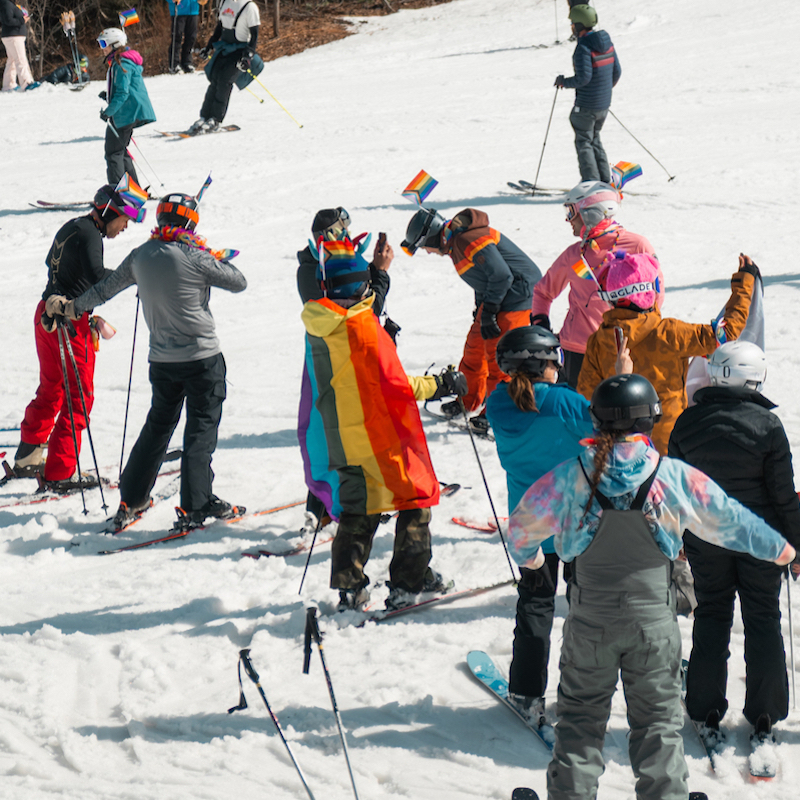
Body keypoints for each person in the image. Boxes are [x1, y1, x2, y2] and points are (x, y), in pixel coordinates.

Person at [508, 373, 796, 800]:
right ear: (649, 422)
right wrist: (779, 549)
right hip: (653, 621)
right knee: (658, 725)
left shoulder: (570, 476)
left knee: (581, 722)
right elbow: (729, 521)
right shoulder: (672, 475)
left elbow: (520, 532)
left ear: (596, 421)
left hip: (590, 620)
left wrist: (532, 559)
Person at [48, 192, 247, 531]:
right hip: (202, 358)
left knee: (158, 427)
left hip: (162, 362)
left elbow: (104, 290)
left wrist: (71, 307)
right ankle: (197, 504)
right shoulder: (195, 256)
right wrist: (210, 255)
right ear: (189, 224)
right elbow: (238, 281)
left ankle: (134, 496)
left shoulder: (140, 256)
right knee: (200, 428)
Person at [299, 236, 467, 611]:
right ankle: (410, 582)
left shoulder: (318, 324)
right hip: (379, 435)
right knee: (415, 499)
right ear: (363, 288)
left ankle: (350, 587)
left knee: (360, 509)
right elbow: (395, 386)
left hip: (341, 437)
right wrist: (440, 384)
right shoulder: (363, 328)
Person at [668, 341, 800, 748]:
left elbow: (676, 491)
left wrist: (677, 537)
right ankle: (764, 713)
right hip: (760, 538)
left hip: (706, 537)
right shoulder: (767, 426)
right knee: (762, 619)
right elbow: (783, 495)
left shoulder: (687, 423)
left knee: (712, 615)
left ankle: (705, 706)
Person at [484, 325, 594, 734]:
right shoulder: (566, 403)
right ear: (546, 363)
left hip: (529, 525)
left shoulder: (499, 402)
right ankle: (581, 693)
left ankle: (527, 692)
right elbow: (608, 432)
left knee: (534, 605)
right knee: (584, 611)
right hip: (577, 522)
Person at [12, 185, 143, 488]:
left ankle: (29, 456)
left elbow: (54, 266)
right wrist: (137, 273)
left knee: (52, 387)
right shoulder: (90, 234)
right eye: (124, 218)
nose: (125, 227)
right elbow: (98, 277)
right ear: (109, 210)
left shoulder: (74, 227)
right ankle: (60, 471)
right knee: (78, 398)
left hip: (45, 315)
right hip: (69, 324)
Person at [577, 251, 758, 454]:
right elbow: (726, 333)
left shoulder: (598, 341)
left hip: (621, 445)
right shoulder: (669, 334)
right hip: (672, 443)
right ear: (647, 293)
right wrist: (745, 282)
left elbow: (587, 395)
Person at [296, 206, 394, 536]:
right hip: (347, 358)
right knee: (350, 432)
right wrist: (379, 274)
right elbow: (364, 311)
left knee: (333, 431)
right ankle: (328, 504)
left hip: (325, 359)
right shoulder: (319, 269)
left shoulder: (316, 266)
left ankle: (321, 506)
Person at [401, 207, 541, 433]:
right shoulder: (456, 242)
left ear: (431, 236)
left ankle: (498, 410)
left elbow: (501, 275)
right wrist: (482, 309)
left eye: (423, 246)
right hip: (499, 296)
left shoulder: (466, 238)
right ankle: (468, 399)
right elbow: (484, 278)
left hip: (516, 295)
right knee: (475, 348)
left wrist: (490, 309)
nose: (426, 252)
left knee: (499, 356)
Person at [532, 180, 660, 387]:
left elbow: (655, 296)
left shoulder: (637, 245)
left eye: (571, 211)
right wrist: (541, 327)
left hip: (622, 350)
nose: (568, 220)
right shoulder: (573, 254)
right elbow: (542, 292)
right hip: (576, 350)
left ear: (590, 213)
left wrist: (644, 333)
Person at [555, 4, 620, 183]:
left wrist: (563, 82)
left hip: (586, 106)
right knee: (595, 140)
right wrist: (602, 92)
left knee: (584, 142)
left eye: (572, 24)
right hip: (603, 105)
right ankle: (604, 181)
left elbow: (583, 78)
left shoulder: (583, 48)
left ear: (579, 26)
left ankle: (591, 183)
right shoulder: (607, 44)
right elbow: (617, 72)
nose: (571, 27)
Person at [97, 27, 156, 186]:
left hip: (127, 114)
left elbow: (123, 92)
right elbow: (125, 88)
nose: (102, 48)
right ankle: (133, 190)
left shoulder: (121, 63)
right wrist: (108, 95)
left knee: (113, 153)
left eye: (104, 44)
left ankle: (118, 192)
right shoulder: (121, 61)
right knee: (121, 152)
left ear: (114, 44)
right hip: (128, 112)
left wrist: (108, 112)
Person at [191, 0, 260, 134]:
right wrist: (209, 46)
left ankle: (215, 119)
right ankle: (204, 117)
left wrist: (248, 56)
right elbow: (219, 28)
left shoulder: (250, 6)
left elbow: (254, 35)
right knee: (215, 79)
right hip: (225, 48)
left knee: (225, 81)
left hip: (240, 51)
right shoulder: (225, 3)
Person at [1, 0, 35, 91]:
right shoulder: (6, 3)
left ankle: (8, 84)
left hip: (13, 36)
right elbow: (8, 20)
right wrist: (22, 20)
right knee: (20, 59)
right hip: (13, 36)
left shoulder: (10, 4)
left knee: (12, 60)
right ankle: (27, 83)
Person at [167, 0, 199, 74]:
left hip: (193, 10)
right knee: (177, 37)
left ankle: (187, 62)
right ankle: (174, 65)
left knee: (191, 37)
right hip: (179, 10)